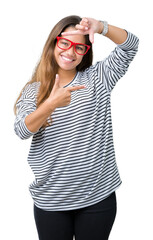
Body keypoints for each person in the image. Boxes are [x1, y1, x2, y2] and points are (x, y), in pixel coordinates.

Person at [14, 15, 139, 240]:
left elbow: (130, 45)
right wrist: (50, 104)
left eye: (79, 47)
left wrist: (101, 27)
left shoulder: (99, 77)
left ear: (85, 51)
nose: (70, 52)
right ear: (53, 43)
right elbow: (22, 131)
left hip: (98, 196)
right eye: (64, 43)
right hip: (51, 200)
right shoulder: (33, 91)